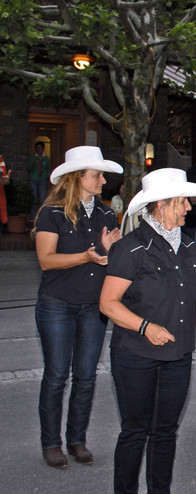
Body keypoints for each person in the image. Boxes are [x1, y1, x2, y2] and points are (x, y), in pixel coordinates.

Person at [100, 168, 196, 494]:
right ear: (161, 205)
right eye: (183, 201)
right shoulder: (130, 248)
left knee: (166, 431)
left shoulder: (188, 244)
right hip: (135, 355)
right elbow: (108, 303)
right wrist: (144, 326)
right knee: (135, 431)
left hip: (178, 353)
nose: (189, 207)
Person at [33, 146, 123, 468]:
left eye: (102, 175)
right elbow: (46, 260)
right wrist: (85, 256)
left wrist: (112, 251)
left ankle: (76, 439)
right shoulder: (52, 213)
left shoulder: (106, 213)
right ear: (77, 178)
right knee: (57, 375)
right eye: (96, 174)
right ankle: (51, 443)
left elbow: (112, 261)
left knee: (86, 376)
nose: (102, 180)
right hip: (56, 303)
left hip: (93, 307)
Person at [28, 141, 51, 217]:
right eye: (37, 148)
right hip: (33, 180)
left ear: (43, 149)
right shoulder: (32, 158)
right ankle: (33, 216)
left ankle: (42, 216)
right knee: (33, 199)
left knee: (42, 199)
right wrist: (34, 163)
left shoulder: (46, 159)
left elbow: (48, 169)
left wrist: (48, 178)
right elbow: (28, 169)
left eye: (40, 148)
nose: (39, 149)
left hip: (43, 180)